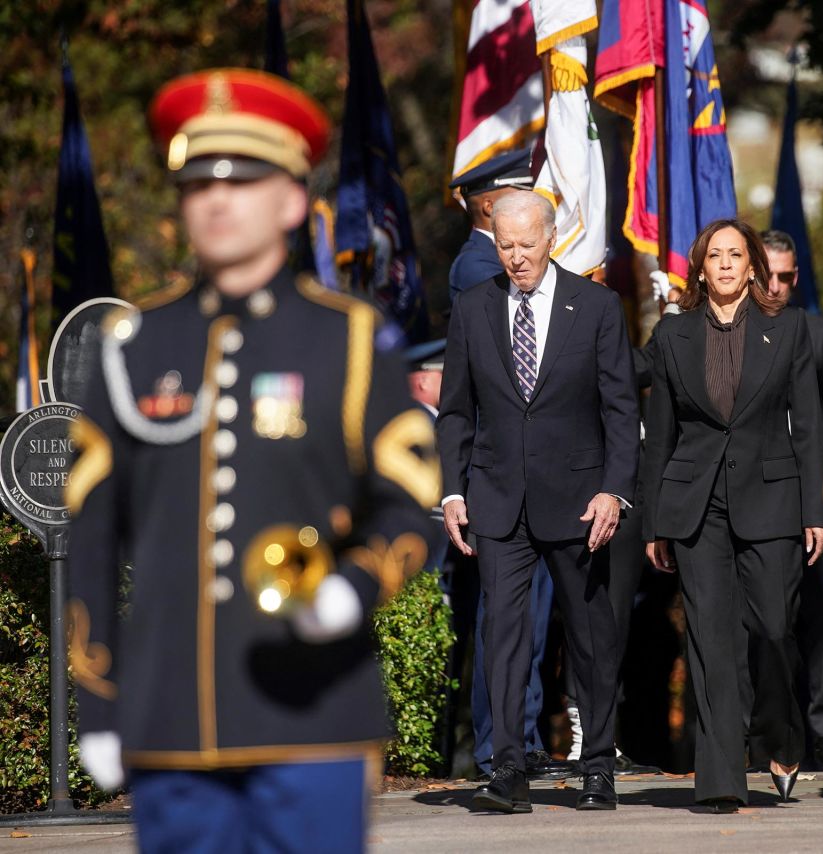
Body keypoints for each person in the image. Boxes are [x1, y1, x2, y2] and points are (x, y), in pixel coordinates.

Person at [65, 68, 439, 852]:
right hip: (172, 725)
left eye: (245, 180)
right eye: (199, 183)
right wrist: (99, 707)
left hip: (314, 720)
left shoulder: (351, 337)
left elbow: (409, 499)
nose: (219, 200)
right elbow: (93, 536)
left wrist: (354, 586)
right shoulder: (133, 348)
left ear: (294, 200)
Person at [436, 192, 640, 813]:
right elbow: (453, 411)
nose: (516, 257)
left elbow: (621, 409)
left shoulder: (598, 307)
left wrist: (615, 491)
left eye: (527, 243)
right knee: (502, 635)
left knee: (589, 636)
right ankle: (506, 768)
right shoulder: (473, 308)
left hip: (580, 502)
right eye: (505, 245)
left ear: (552, 238)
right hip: (496, 501)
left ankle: (597, 765)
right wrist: (452, 489)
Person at [642, 218, 823, 812]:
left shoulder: (790, 328)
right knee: (711, 641)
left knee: (775, 629)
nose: (725, 264)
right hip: (697, 507)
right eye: (715, 255)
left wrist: (816, 510)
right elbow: (661, 436)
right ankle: (721, 777)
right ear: (700, 268)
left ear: (753, 267)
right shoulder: (674, 337)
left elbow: (810, 428)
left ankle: (783, 733)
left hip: (774, 500)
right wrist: (655, 521)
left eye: (736, 255)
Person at [446, 148, 563, 782]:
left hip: (538, 481)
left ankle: (520, 739)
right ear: (489, 205)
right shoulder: (476, 272)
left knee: (533, 625)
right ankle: (501, 745)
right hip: (502, 482)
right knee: (508, 625)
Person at [760, 229, 823, 770]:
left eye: (787, 276)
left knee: (820, 620)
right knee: (767, 623)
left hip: (814, 502)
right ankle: (770, 731)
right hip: (754, 499)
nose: (776, 287)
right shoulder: (733, 334)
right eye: (767, 275)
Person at [448, 147, 535, 302]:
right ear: (490, 207)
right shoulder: (474, 263)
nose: (533, 205)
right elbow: (528, 309)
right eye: (521, 198)